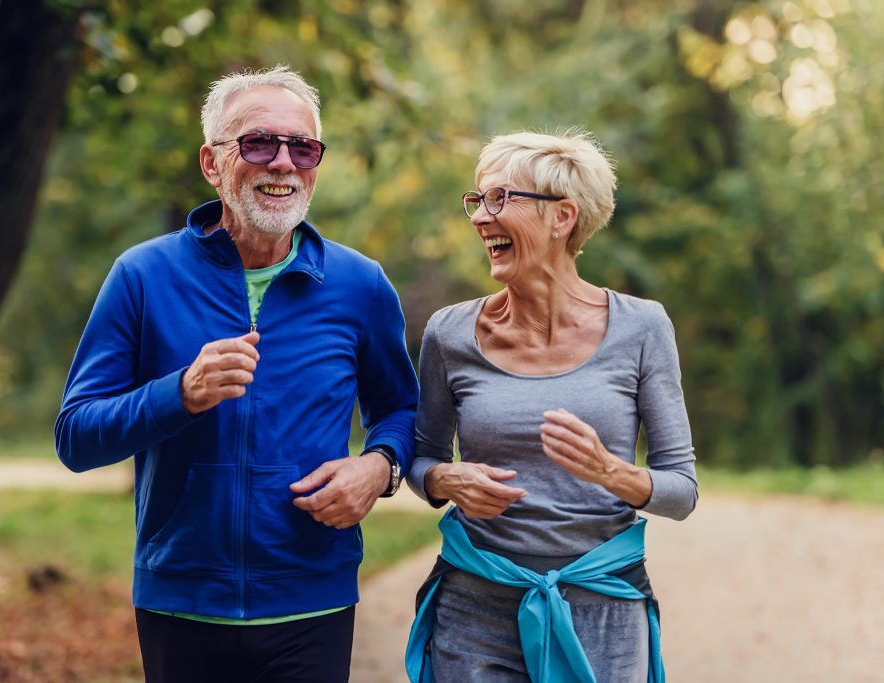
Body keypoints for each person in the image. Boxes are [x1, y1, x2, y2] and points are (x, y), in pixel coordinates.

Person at [55, 65, 418, 683]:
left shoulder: (360, 285)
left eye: (302, 147)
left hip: (314, 599)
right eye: (258, 143)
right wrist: (180, 394)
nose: (282, 163)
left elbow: (403, 412)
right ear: (212, 162)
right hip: (181, 601)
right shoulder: (142, 276)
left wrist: (378, 468)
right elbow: (76, 437)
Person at [404, 130, 697, 683]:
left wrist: (611, 472)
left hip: (603, 607)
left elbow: (682, 491)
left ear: (562, 217)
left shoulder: (642, 327)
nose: (480, 218)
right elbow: (420, 462)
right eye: (477, 200)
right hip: (475, 607)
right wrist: (446, 479)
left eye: (500, 199)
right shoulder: (449, 333)